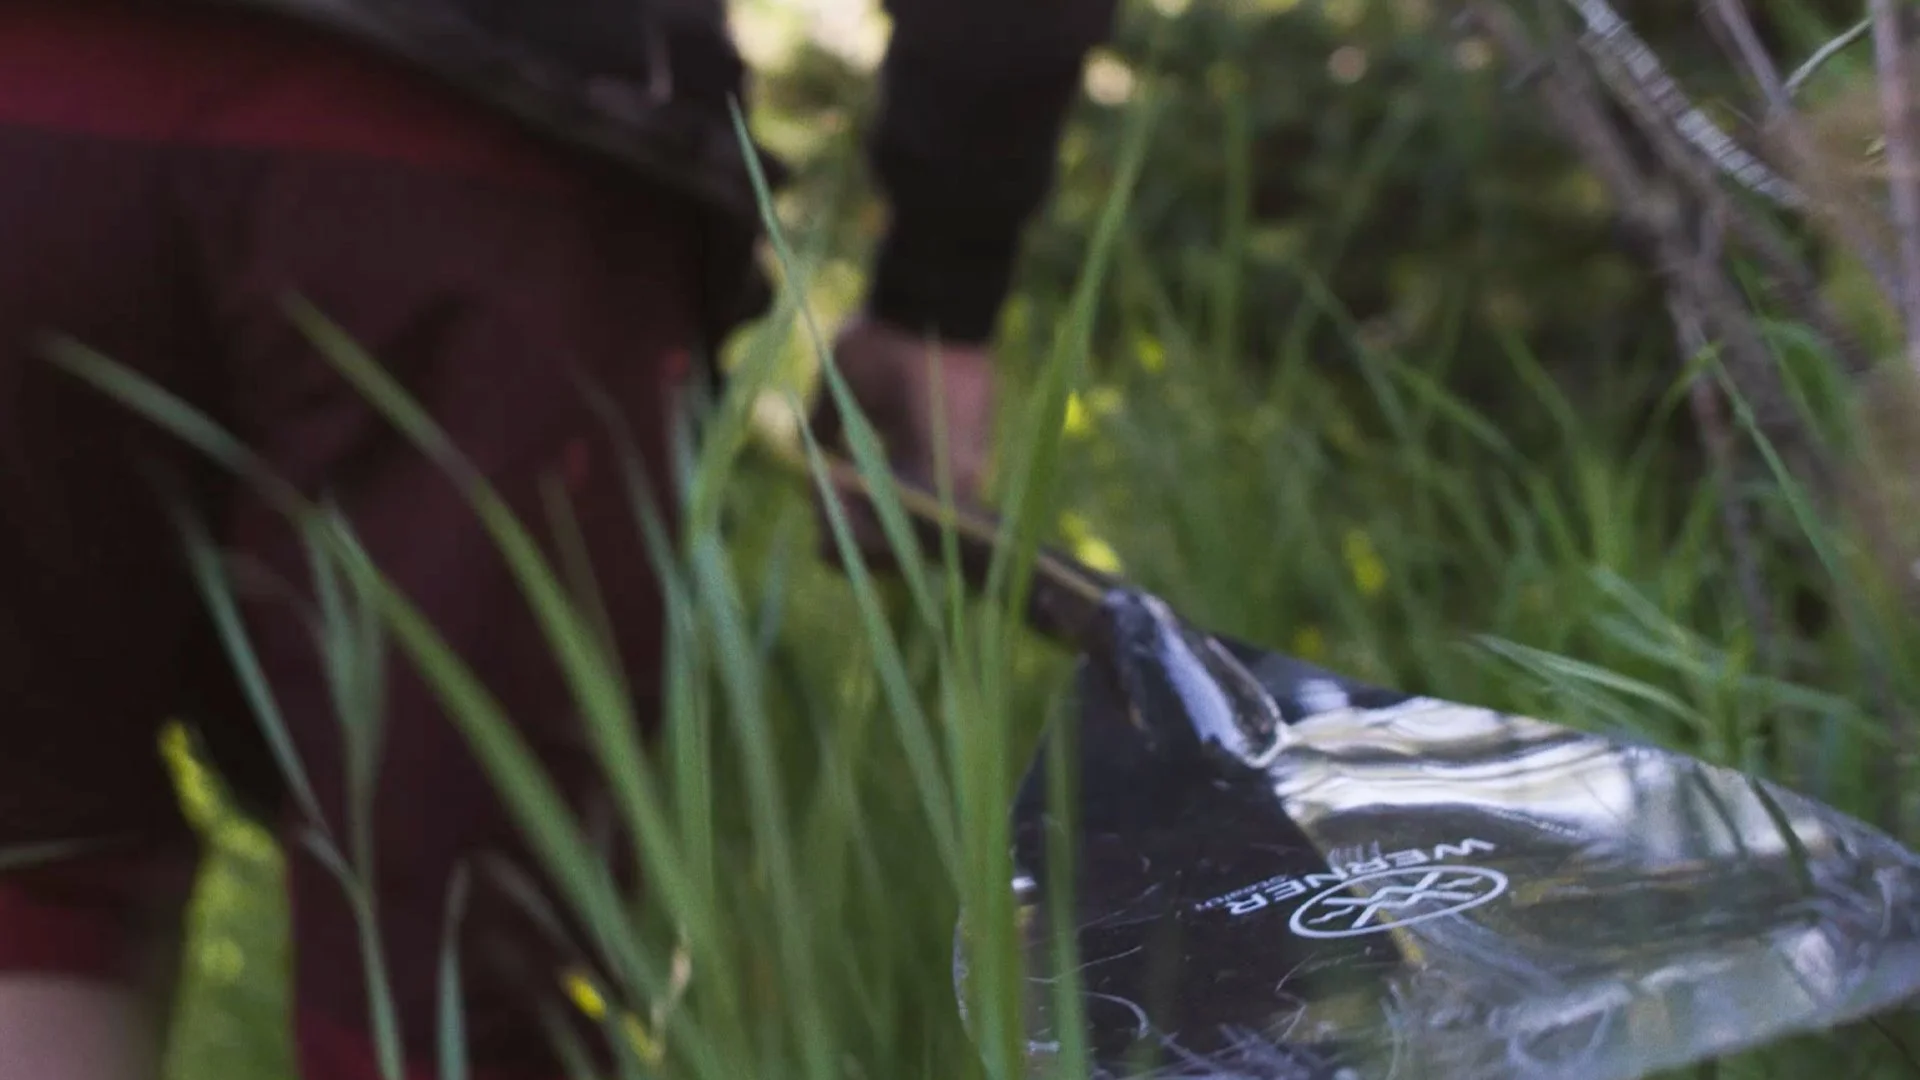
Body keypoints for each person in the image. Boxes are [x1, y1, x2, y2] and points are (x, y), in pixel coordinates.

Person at [0, 1, 1116, 1078]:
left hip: (32, 119)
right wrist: (942, 289)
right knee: (464, 971)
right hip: (476, 147)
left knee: (38, 882)